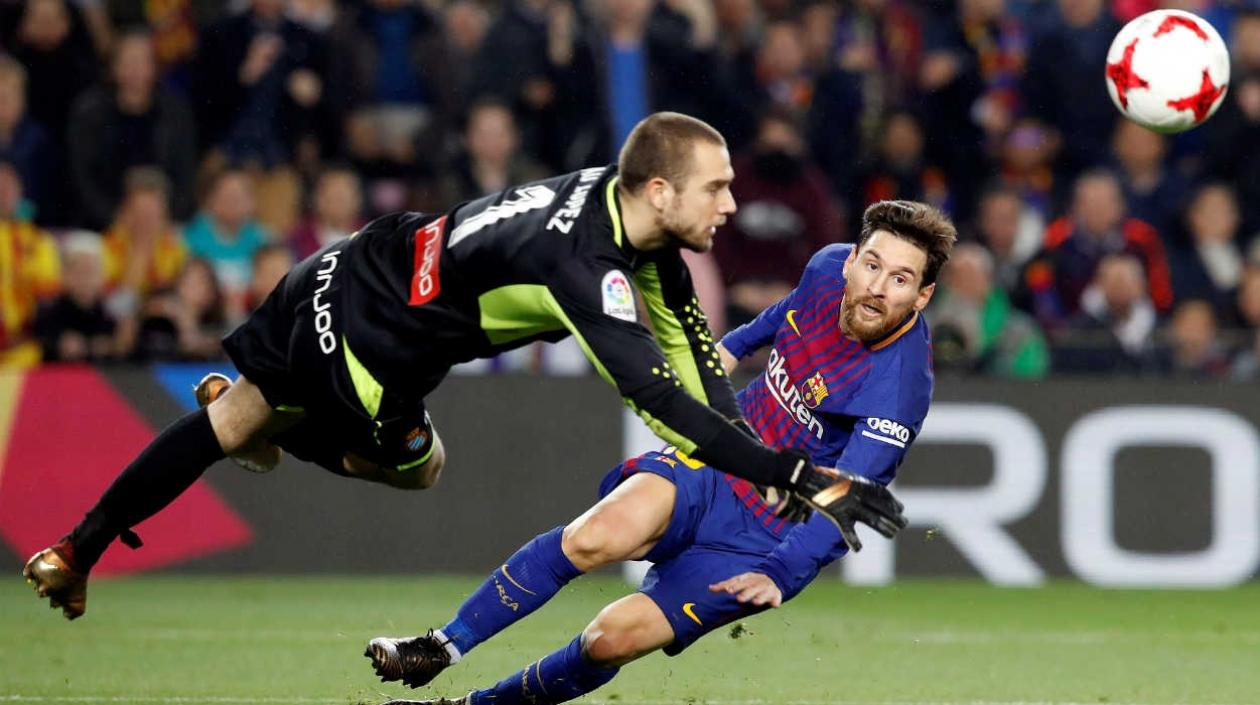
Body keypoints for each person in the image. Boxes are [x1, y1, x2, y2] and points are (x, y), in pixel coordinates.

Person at [23, 112, 905, 620]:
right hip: (368, 357)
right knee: (421, 468)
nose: (734, 200)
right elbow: (662, 400)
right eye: (717, 187)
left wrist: (766, 470)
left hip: (340, 264)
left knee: (230, 419)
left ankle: (75, 547)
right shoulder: (588, 270)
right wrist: (798, 472)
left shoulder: (622, 208)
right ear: (663, 193)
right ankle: (289, 433)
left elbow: (704, 373)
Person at [363, 199, 955, 705]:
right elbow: (782, 319)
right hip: (725, 461)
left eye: (900, 279)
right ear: (851, 260)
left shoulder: (898, 390)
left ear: (923, 296)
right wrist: (727, 351)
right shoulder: (827, 269)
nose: (877, 287)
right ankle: (438, 647)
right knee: (596, 535)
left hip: (766, 536)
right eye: (872, 264)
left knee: (609, 639)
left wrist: (780, 572)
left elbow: (845, 493)